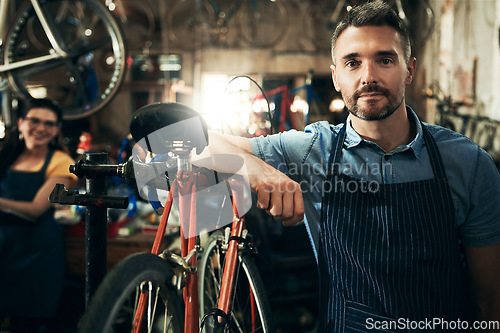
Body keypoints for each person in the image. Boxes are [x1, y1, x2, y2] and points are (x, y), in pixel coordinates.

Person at [200, 2, 500, 331]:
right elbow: (193, 144)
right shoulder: (314, 150)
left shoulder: (468, 163)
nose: (368, 77)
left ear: (409, 70)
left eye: (385, 60)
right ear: (336, 77)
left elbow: (490, 302)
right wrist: (259, 170)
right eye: (353, 63)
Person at [0, 98, 77, 332]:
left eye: (49, 124)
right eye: (34, 120)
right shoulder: (5, 155)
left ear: (56, 130)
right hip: (2, 249)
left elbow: (35, 208)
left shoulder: (61, 162)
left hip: (36, 255)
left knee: (26, 324)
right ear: (21, 123)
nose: (41, 128)